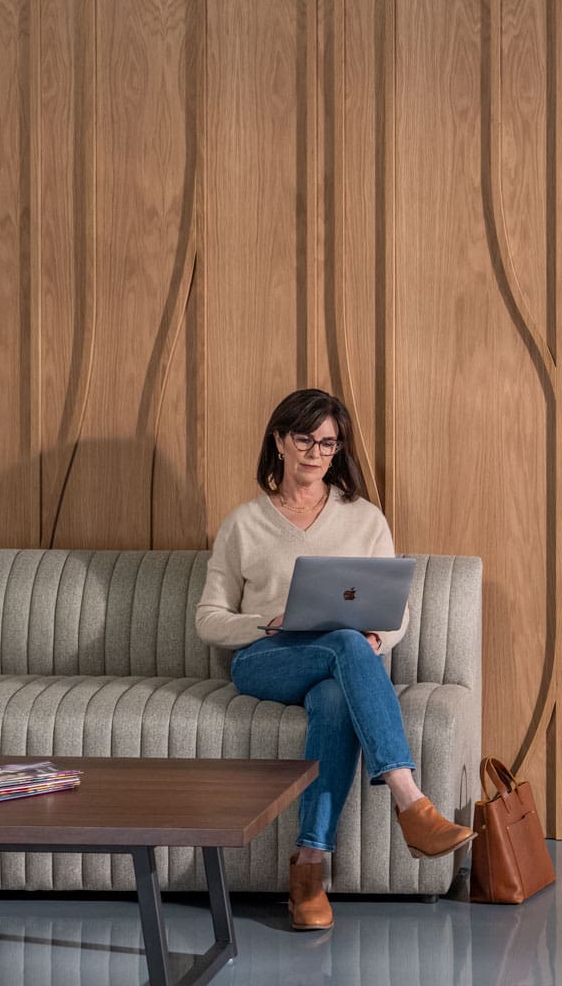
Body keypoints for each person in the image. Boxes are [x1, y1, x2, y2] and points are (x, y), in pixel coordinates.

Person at [195, 388, 475, 931]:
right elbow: (208, 619)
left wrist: (376, 641)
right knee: (344, 644)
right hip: (265, 660)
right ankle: (411, 803)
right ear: (279, 441)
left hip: (340, 663)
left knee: (335, 692)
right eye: (305, 438)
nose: (316, 452)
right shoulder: (244, 523)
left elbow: (396, 611)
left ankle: (308, 867)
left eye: (328, 443)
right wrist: (267, 623)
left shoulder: (364, 519)